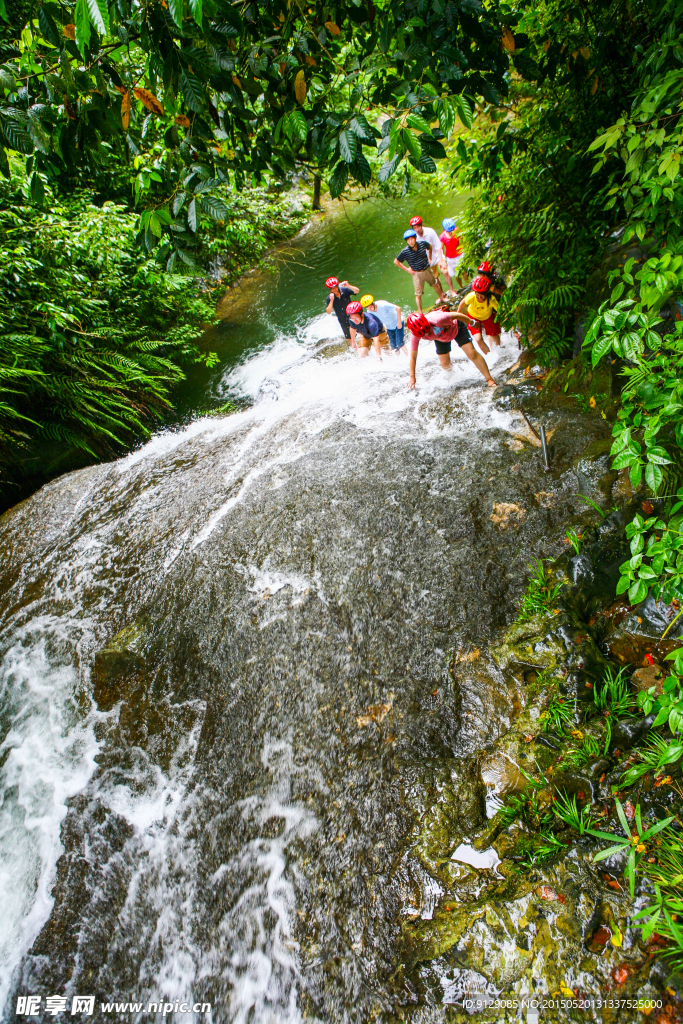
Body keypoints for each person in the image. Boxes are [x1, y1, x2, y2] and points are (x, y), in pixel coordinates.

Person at [406, 310, 496, 389]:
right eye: (424, 335)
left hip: (457, 328)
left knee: (472, 353)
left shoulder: (438, 319)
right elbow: (413, 357)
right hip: (441, 338)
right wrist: (412, 377)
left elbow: (457, 315)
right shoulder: (415, 336)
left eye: (429, 330)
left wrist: (472, 322)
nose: (428, 334)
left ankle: (489, 379)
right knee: (445, 364)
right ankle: (456, 377)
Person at [394, 229, 446, 313]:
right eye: (408, 240)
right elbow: (396, 261)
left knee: (435, 284)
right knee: (418, 294)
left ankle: (442, 298)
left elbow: (430, 246)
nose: (410, 241)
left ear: (415, 238)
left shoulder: (422, 244)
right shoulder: (405, 251)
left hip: (427, 269)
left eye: (412, 239)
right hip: (417, 273)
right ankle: (421, 312)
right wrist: (407, 269)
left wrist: (429, 258)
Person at [458, 274, 502, 350]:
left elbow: (500, 310)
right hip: (473, 316)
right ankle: (488, 356)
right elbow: (463, 302)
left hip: (487, 317)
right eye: (477, 295)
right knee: (478, 339)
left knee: (494, 335)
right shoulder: (471, 296)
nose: (479, 298)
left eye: (481, 296)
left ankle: (500, 351)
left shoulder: (491, 300)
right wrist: (458, 312)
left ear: (487, 294)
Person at [409, 215, 443, 291]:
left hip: (436, 255)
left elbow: (437, 246)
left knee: (445, 271)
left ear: (421, 225)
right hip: (427, 260)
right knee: (435, 278)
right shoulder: (414, 238)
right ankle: (442, 294)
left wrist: (441, 259)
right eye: (414, 228)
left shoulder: (430, 231)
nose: (417, 230)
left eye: (418, 227)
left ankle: (452, 290)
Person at [325, 276, 360, 346]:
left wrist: (349, 286)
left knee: (361, 331)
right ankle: (355, 350)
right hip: (343, 319)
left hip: (353, 315)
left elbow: (357, 291)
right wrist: (332, 300)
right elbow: (328, 311)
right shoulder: (329, 298)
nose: (334, 289)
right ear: (330, 289)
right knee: (350, 338)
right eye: (332, 288)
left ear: (338, 285)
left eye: (335, 287)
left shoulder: (344, 290)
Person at [440, 218, 465, 295]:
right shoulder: (442, 237)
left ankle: (467, 284)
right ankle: (461, 286)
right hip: (451, 257)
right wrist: (442, 260)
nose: (451, 232)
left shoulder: (457, 230)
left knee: (464, 270)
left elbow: (463, 239)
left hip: (460, 253)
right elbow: (441, 249)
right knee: (457, 273)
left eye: (452, 230)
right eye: (449, 231)